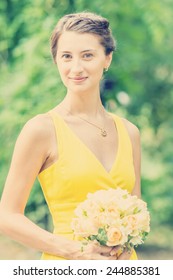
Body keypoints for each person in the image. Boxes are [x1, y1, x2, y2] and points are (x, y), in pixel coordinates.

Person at [0, 12, 141, 260]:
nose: (76, 68)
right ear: (56, 61)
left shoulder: (130, 132)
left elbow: (136, 213)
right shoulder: (41, 129)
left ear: (107, 59)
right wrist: (75, 251)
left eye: (87, 55)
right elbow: (7, 216)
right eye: (66, 56)